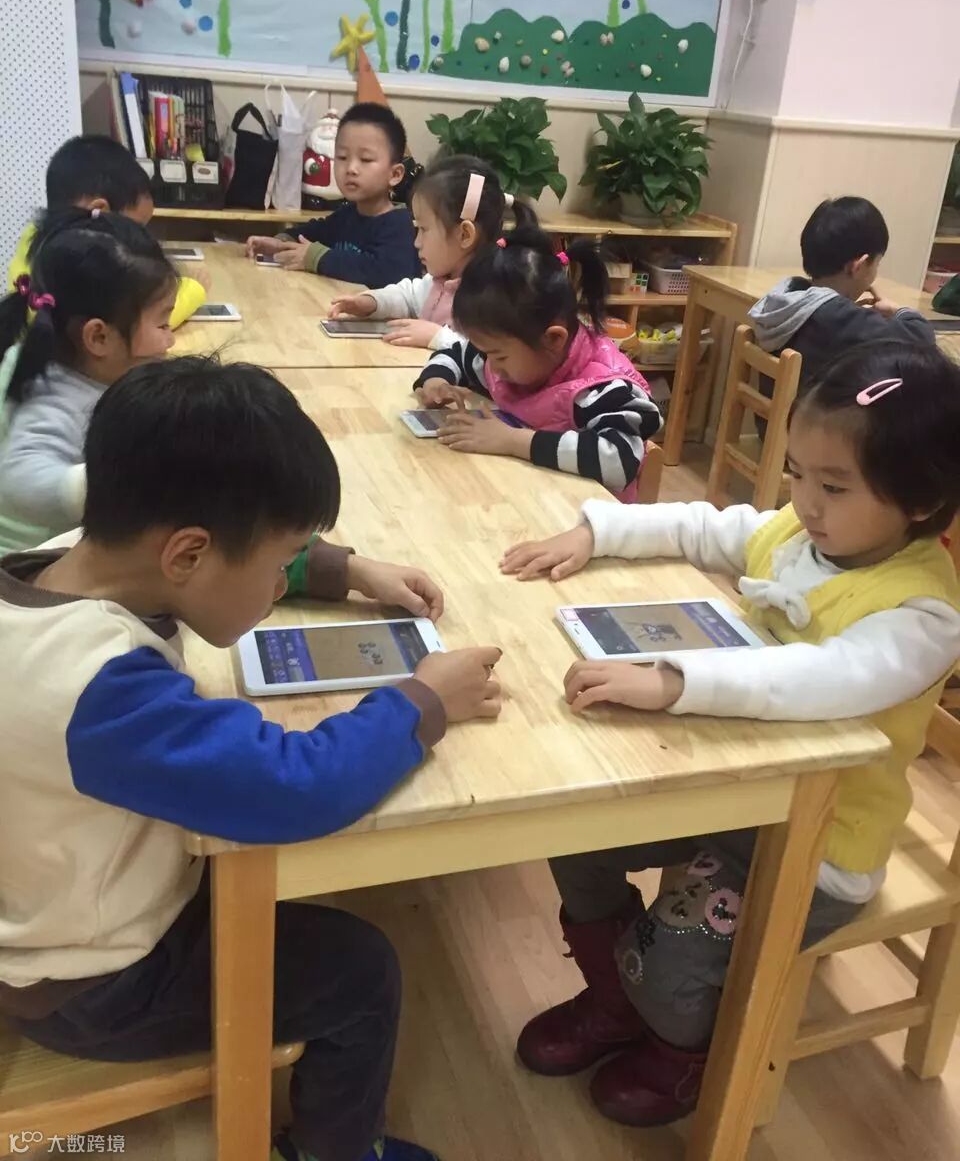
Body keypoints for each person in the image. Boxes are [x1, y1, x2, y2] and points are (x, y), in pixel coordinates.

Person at [0, 355, 503, 1161]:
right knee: (360, 971)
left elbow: (223, 555)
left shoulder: (63, 562)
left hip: (62, 908)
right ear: (186, 556)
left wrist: (345, 568)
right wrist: (424, 701)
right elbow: (296, 786)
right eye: (279, 564)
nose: (279, 582)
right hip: (92, 984)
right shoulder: (99, 695)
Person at [499, 341, 960, 1129]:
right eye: (797, 474)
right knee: (575, 834)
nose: (804, 503)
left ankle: (680, 1050)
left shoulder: (923, 614)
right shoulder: (804, 535)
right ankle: (615, 1001)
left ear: (921, 498)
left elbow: (821, 679)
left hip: (817, 842)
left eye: (833, 486)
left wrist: (676, 681)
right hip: (734, 788)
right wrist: (598, 531)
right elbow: (707, 525)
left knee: (673, 950)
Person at [412, 228, 662, 500]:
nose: (492, 367)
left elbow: (619, 461)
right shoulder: (514, 356)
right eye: (487, 354)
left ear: (553, 339)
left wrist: (511, 440)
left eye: (499, 356)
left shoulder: (602, 389)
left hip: (579, 514)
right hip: (529, 496)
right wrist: (436, 381)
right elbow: (457, 354)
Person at [0, 210, 176, 555]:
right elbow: (19, 478)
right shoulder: (57, 400)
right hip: (29, 566)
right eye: (163, 325)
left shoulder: (41, 355)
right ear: (98, 337)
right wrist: (120, 482)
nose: (170, 340)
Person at [328, 155, 538, 350]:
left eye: (424, 229)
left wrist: (437, 337)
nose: (416, 242)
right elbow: (408, 296)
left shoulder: (493, 295)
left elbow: (489, 357)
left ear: (465, 234)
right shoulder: (439, 280)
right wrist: (372, 303)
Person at [6, 134, 207, 328]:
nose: (141, 238)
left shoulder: (39, 240)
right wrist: (194, 291)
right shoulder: (77, 269)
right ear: (100, 212)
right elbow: (140, 325)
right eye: (136, 228)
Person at [749, 196, 936, 383]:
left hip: (785, 401)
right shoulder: (839, 317)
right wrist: (897, 310)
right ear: (859, 266)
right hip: (814, 403)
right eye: (877, 264)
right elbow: (921, 339)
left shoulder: (788, 296)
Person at [245, 104, 420, 289]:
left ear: (395, 174)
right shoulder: (347, 214)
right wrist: (281, 242)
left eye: (366, 159)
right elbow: (315, 232)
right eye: (342, 157)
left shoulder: (399, 225)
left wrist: (318, 258)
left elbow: (384, 273)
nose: (351, 168)